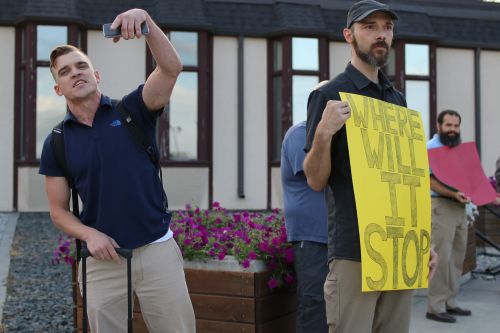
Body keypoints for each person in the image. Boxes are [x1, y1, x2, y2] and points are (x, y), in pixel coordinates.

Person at [39, 9, 196, 333]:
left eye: (81, 66)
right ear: (58, 89)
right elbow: (58, 211)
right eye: (65, 71)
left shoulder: (132, 110)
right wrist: (88, 234)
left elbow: (170, 68)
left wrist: (147, 22)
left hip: (157, 251)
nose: (76, 73)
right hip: (102, 263)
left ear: (96, 75)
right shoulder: (57, 142)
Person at [303, 1, 437, 332]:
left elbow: (406, 179)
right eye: (370, 27)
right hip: (353, 251)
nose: (381, 35)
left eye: (387, 27)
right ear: (349, 35)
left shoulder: (398, 100)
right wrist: (322, 134)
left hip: (398, 249)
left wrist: (423, 240)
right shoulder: (330, 95)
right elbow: (315, 181)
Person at [426, 110, 500, 323]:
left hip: (461, 208)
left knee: (457, 258)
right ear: (438, 126)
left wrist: (490, 195)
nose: (453, 130)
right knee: (441, 258)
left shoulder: (458, 149)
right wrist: (452, 193)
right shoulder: (430, 149)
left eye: (456, 126)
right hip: (441, 206)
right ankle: (435, 306)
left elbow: (472, 178)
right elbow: (429, 181)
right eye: (448, 125)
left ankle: (450, 301)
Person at [281, 120, 328, 333]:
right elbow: (316, 176)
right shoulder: (300, 133)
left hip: (334, 234)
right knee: (315, 305)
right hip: (312, 235)